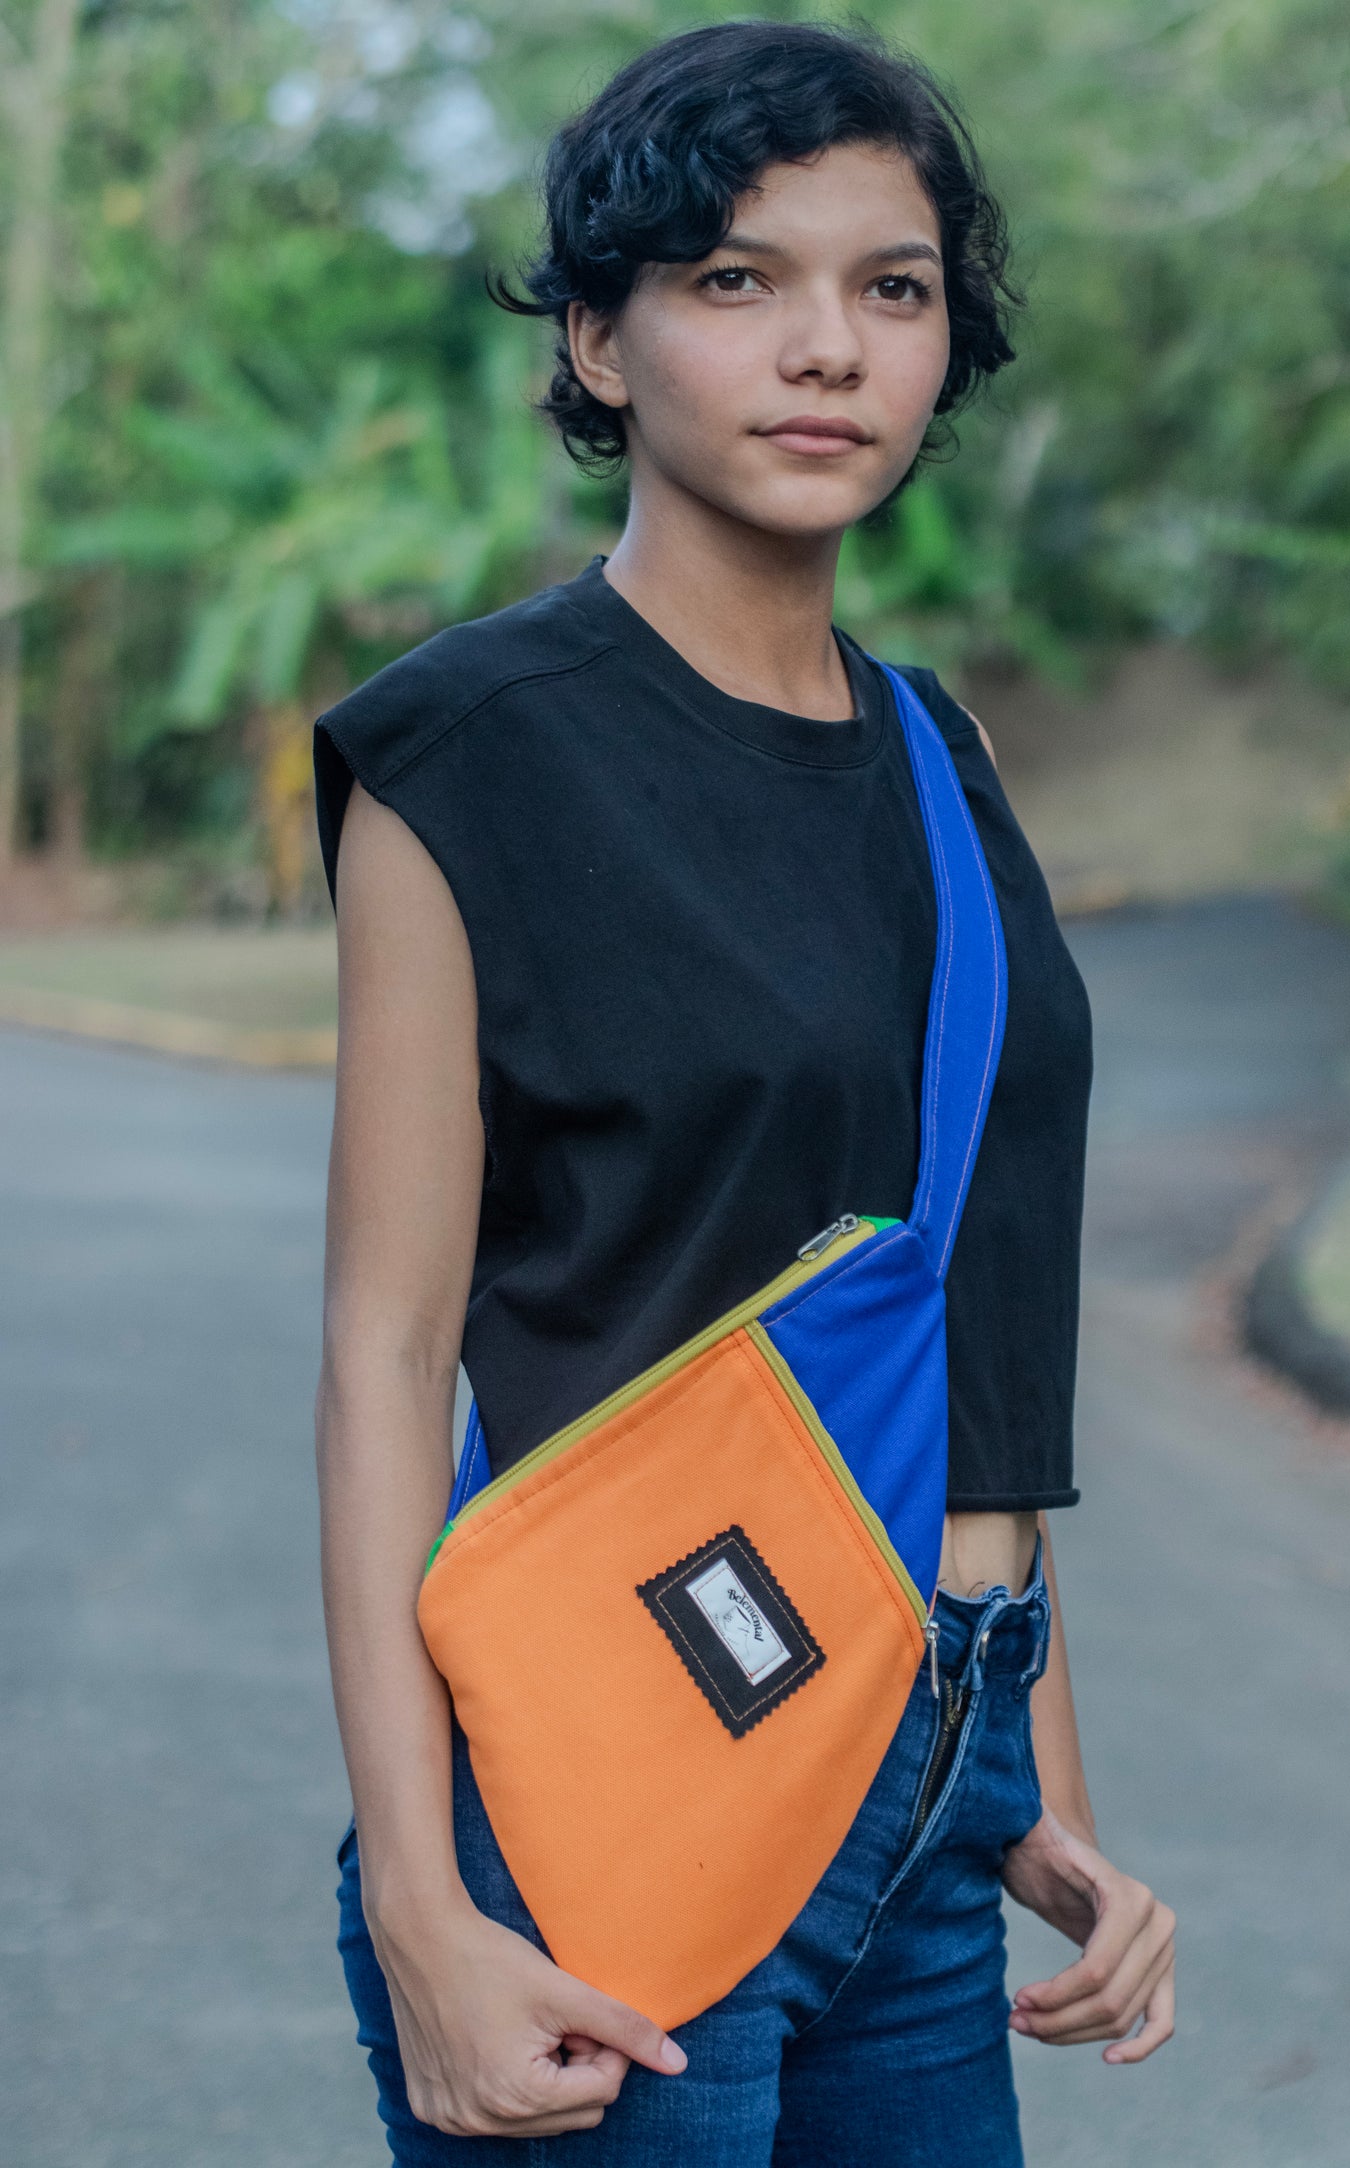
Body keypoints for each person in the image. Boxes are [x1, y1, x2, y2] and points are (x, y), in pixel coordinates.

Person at [311, 20, 1176, 2164]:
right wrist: (425, 1905)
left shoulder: (939, 759)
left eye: (889, 289)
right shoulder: (471, 757)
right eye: (735, 281)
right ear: (599, 340)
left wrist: (1044, 1788)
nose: (827, 351)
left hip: (940, 1770)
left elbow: (961, 1308)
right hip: (625, 1767)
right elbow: (383, 1343)